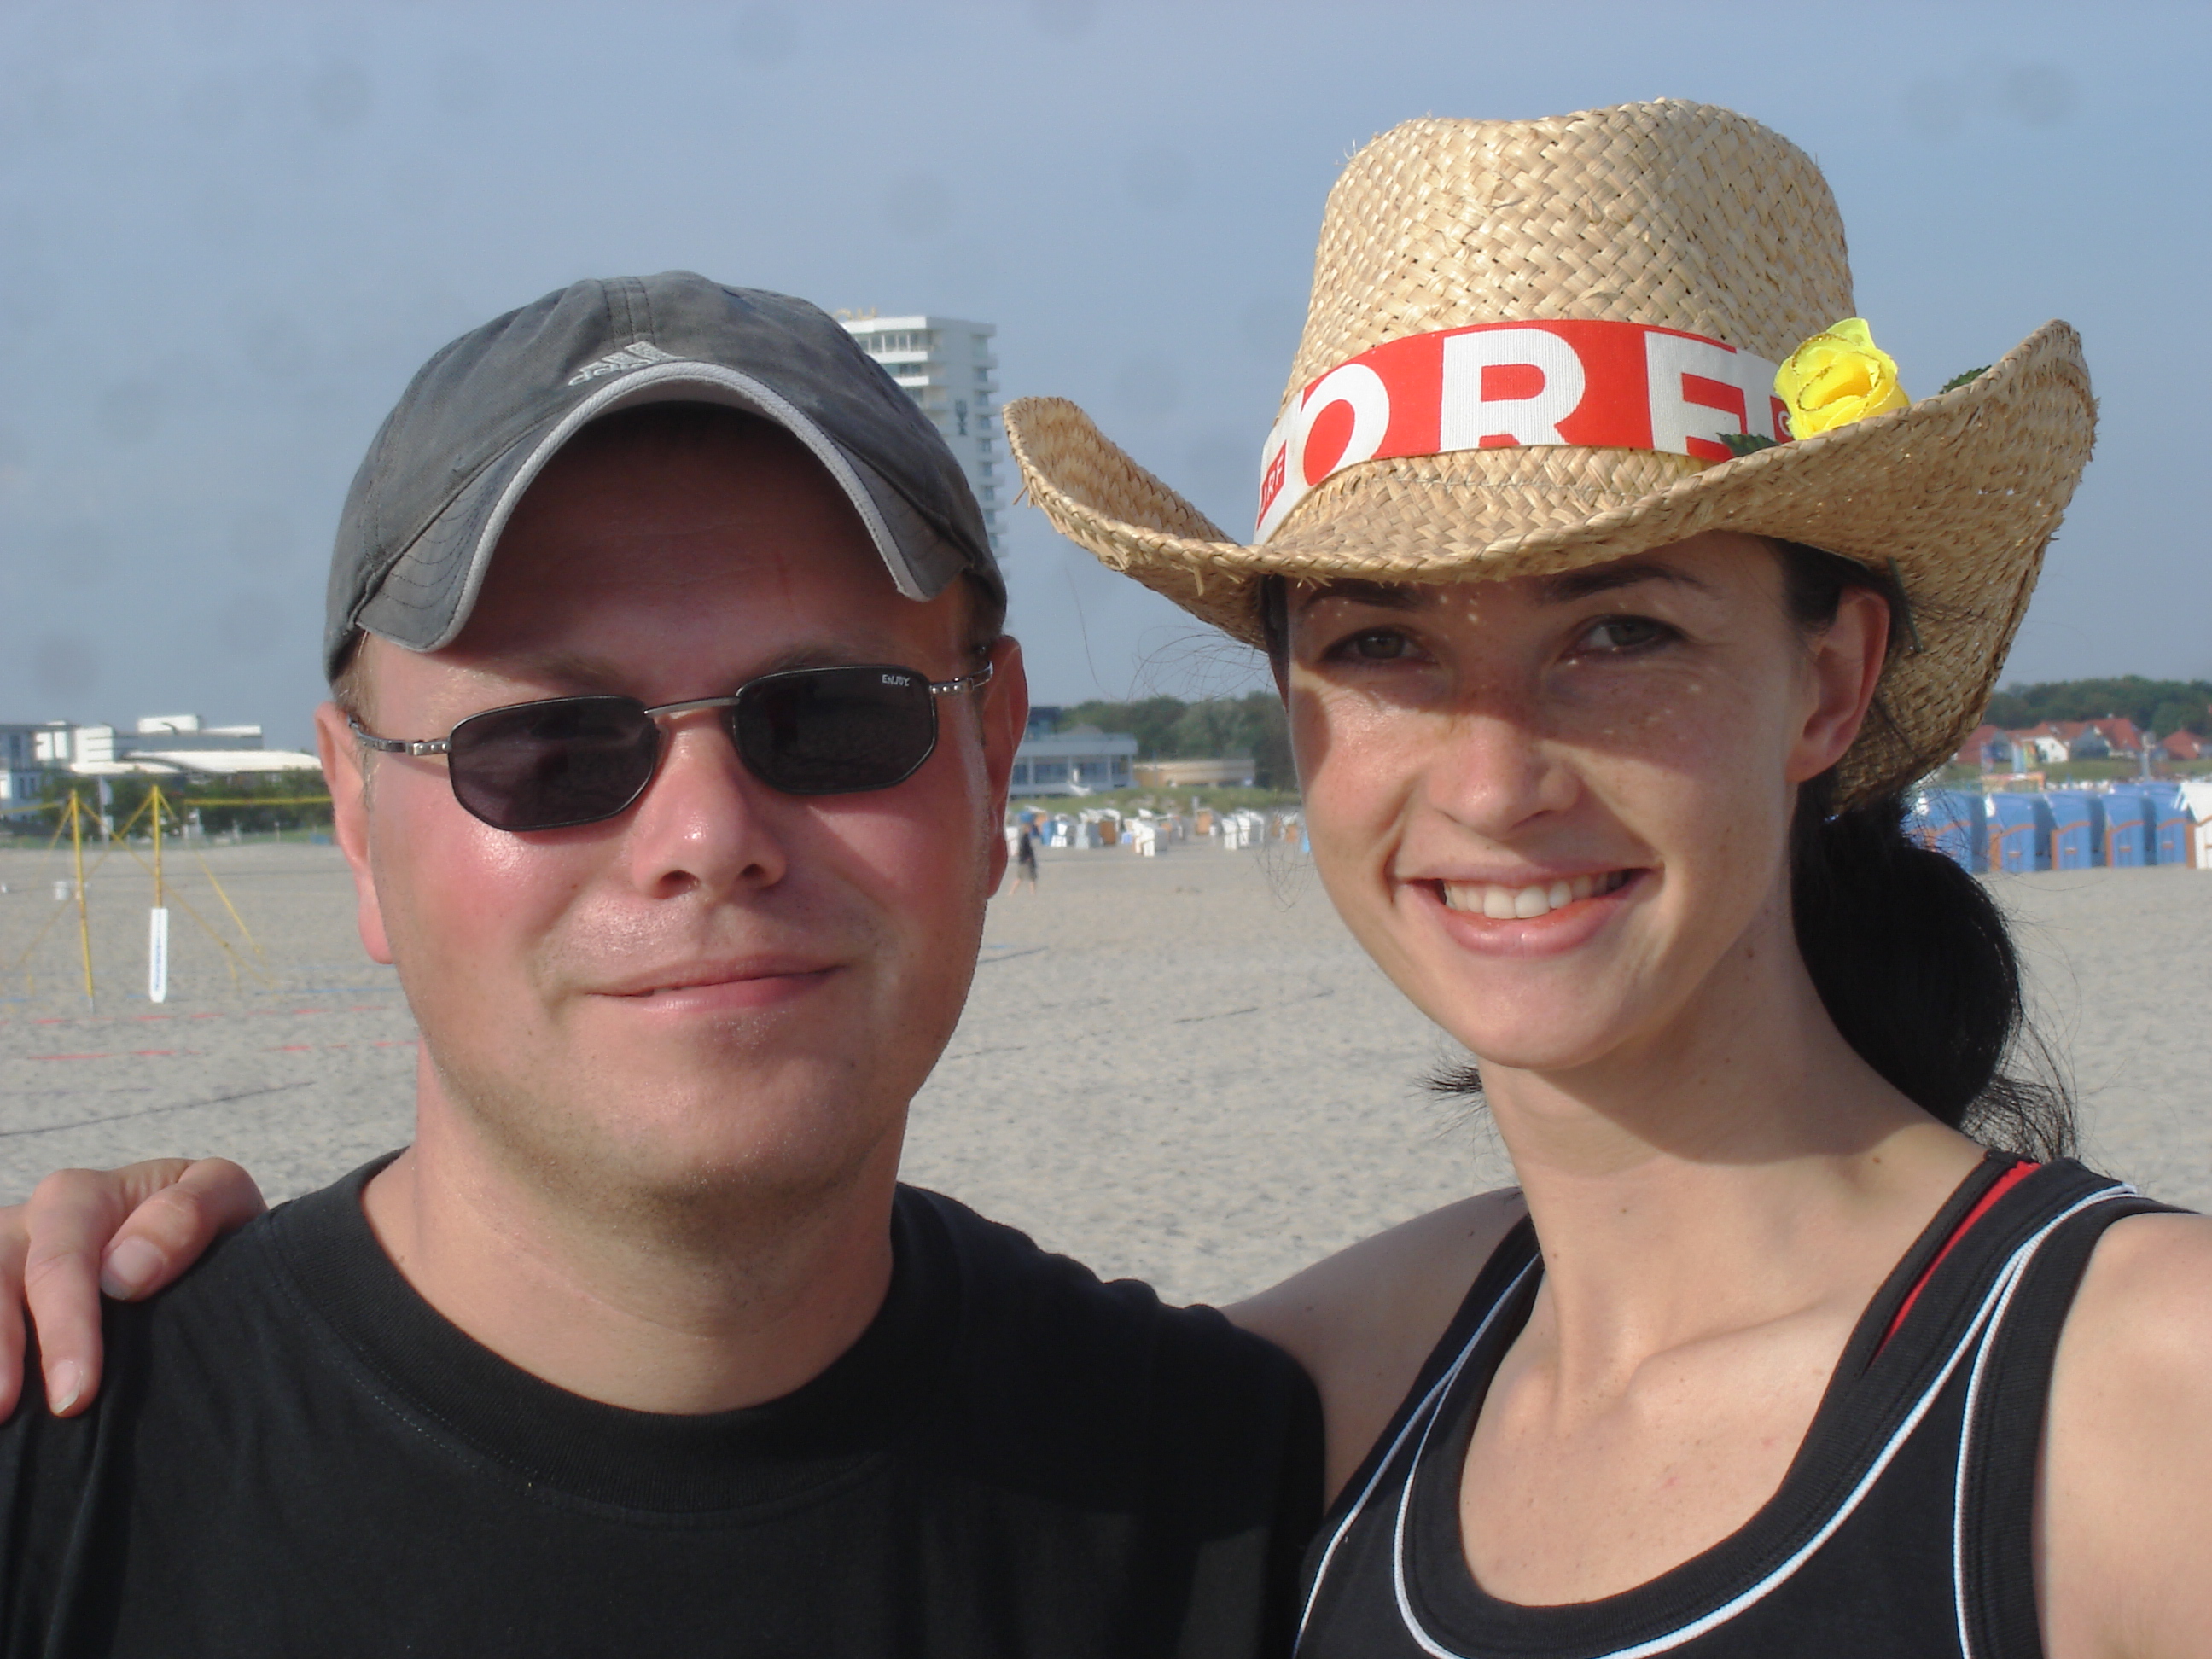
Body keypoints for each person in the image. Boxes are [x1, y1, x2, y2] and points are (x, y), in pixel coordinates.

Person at [12, 102, 2212, 1654]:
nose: (1494, 766)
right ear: (357, 813)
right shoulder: (1322, 1402)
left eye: (1620, 628)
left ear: (1831, 681)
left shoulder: (1221, 1465)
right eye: (547, 749)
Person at [0, 274, 1319, 1656]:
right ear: (355, 815)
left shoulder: (1239, 1499)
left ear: (992, 762)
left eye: (830, 716)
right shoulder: (63, 1470)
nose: (707, 838)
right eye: (552, 745)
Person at [1015, 820, 1040, 893]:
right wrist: (1027, 858)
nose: (1030, 829)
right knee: (1022, 878)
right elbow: (1023, 849)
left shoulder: (1026, 837)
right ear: (1026, 829)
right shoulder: (1024, 837)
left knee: (1030, 878)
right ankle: (1012, 892)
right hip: (1025, 861)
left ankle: (1033, 892)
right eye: (1029, 828)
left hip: (1025, 860)